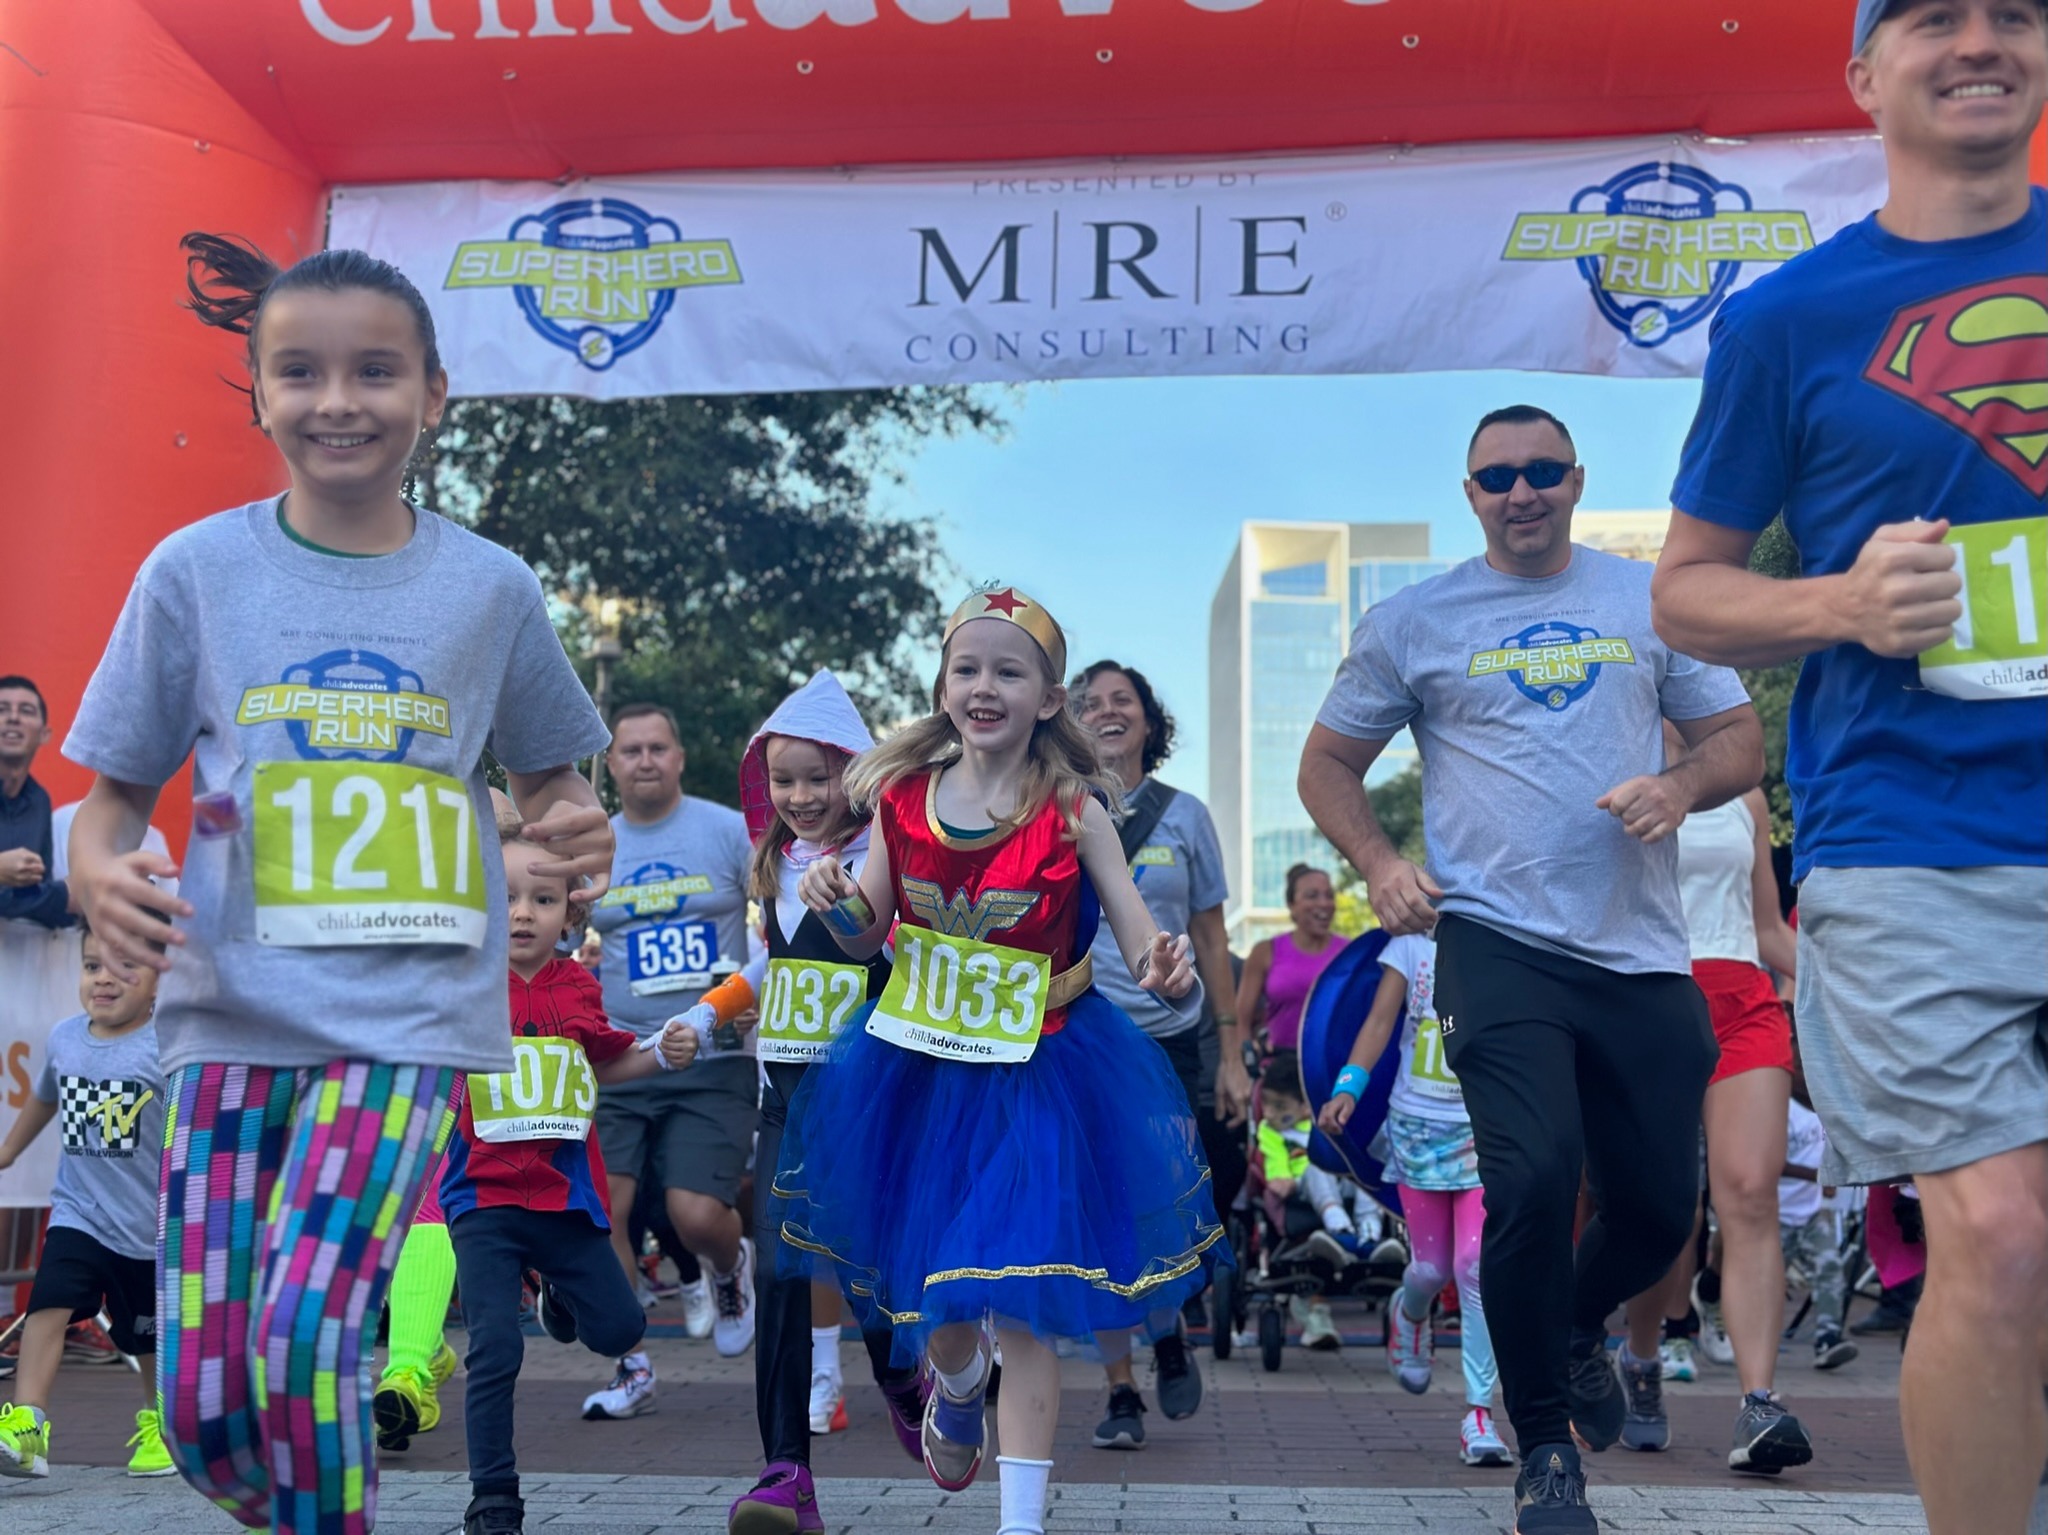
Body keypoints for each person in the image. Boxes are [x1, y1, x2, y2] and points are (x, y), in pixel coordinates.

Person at [61, 233, 615, 1535]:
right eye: (300, 371)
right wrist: (96, 869)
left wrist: (572, 826)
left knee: (309, 1333)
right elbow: (114, 798)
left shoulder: (489, 587)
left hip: (406, 1020)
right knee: (203, 1405)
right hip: (228, 1017)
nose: (337, 399)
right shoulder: (193, 572)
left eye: (375, 369)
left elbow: (553, 777)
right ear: (258, 393)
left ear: (434, 394)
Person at [1652, 2, 2047, 1527]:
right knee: (1999, 1232)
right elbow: (1688, 590)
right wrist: (1840, 603)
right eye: (1935, 16)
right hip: (1911, 834)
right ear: (1865, 78)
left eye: (2013, 12)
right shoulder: (1789, 319)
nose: (1980, 40)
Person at [1299, 403, 1761, 1535]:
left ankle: (1572, 1322)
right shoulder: (1415, 620)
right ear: (1470, 494)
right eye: (1498, 475)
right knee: (1535, 1173)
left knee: (1659, 1208)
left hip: (1640, 953)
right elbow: (1325, 763)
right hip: (1495, 943)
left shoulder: (1645, 599)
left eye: (1543, 470)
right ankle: (1544, 1446)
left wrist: (1677, 786)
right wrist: (1379, 863)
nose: (1522, 491)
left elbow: (1739, 742)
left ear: (1575, 480)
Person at [775, 585, 1221, 1535]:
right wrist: (834, 898)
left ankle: (1022, 1522)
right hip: (918, 1074)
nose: (985, 687)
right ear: (942, 686)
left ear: (1048, 699)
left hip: (1044, 1074)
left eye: (1009, 672)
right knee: (941, 1302)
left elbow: (1142, 943)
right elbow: (865, 936)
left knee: (1021, 1295)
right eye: (967, 669)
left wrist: (1169, 969)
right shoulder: (901, 802)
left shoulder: (1075, 811)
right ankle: (958, 1378)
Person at [715, 669, 931, 1535]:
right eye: (784, 779)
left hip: (867, 1100)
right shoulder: (769, 865)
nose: (801, 796)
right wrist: (707, 1011)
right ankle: (785, 1472)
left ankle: (902, 1373)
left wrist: (856, 909)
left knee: (862, 1261)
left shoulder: (889, 850)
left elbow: (906, 951)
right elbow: (771, 962)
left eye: (818, 776)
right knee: (778, 1269)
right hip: (785, 1098)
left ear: (855, 771)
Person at [443, 813, 696, 1535]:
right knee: (495, 1348)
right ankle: (493, 1499)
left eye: (544, 899)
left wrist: (665, 1051)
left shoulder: (580, 987)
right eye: (505, 897)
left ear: (572, 911)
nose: (523, 912)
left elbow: (608, 1060)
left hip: (565, 1200)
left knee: (620, 1330)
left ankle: (556, 1287)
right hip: (483, 1199)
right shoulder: (462, 981)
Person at [1618, 730, 1810, 1469]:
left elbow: (1766, 928)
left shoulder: (1746, 795)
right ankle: (1641, 1358)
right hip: (1656, 997)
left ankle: (1759, 1403)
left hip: (1744, 1001)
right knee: (1669, 1211)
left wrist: (1842, 976)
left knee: (1751, 1193)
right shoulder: (1615, 769)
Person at [1073, 660, 1238, 1449]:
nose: (1107, 712)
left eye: (1123, 700)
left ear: (1148, 719)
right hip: (1081, 1035)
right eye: (1090, 703)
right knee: (1099, 1207)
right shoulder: (1054, 807)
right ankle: (1120, 1388)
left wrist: (1232, 1050)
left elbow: (1211, 937)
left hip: (1171, 1037)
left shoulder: (1186, 816)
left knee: (1163, 1201)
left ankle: (1168, 1329)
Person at [587, 702, 759, 1383]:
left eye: (658, 747)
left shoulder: (727, 831)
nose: (646, 760)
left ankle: (729, 1264)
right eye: (631, 750)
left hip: (711, 1057)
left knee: (694, 1215)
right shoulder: (594, 844)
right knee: (606, 1212)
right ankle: (630, 1364)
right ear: (611, 765)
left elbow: (780, 923)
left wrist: (747, 997)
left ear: (679, 757)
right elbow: (557, 938)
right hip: (621, 1058)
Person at [1320, 930, 1511, 1469]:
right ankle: (1408, 1312)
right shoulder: (1408, 948)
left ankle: (1479, 1414)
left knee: (1473, 1266)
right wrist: (1347, 1089)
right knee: (1430, 1269)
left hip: (1480, 1129)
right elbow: (1379, 1023)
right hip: (1417, 1129)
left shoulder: (1502, 935)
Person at [0, 921, 171, 1479]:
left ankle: (159, 1424)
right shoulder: (65, 1038)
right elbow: (44, 1097)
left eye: (124, 968)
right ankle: (27, 1426)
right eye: (92, 966)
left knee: (144, 1339)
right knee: (47, 1303)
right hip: (79, 1213)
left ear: (158, 980)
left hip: (149, 1228)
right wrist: (8, 1152)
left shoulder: (167, 1046)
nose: (103, 979)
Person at [1781, 1062, 1859, 1373]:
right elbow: (1772, 1162)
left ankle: (1828, 1337)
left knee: (1829, 1269)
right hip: (1776, 1212)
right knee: (1767, 1280)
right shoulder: (1780, 1109)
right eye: (1799, 1067)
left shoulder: (1824, 1110)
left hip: (1812, 1213)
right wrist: (1817, 1176)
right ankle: (1743, 1337)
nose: (1806, 1075)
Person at [1236, 865, 1346, 1056]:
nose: (1324, 903)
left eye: (1329, 896)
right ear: (1291, 904)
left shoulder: (1349, 953)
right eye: (1312, 896)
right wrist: (1244, 1060)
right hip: (1279, 1064)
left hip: (1334, 1063)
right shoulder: (1265, 951)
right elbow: (1240, 1019)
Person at [0, 677, 76, 931]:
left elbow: (37, 893)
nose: (13, 718)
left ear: (45, 734)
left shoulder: (39, 802)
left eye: (26, 710)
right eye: (2, 709)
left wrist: (82, 900)